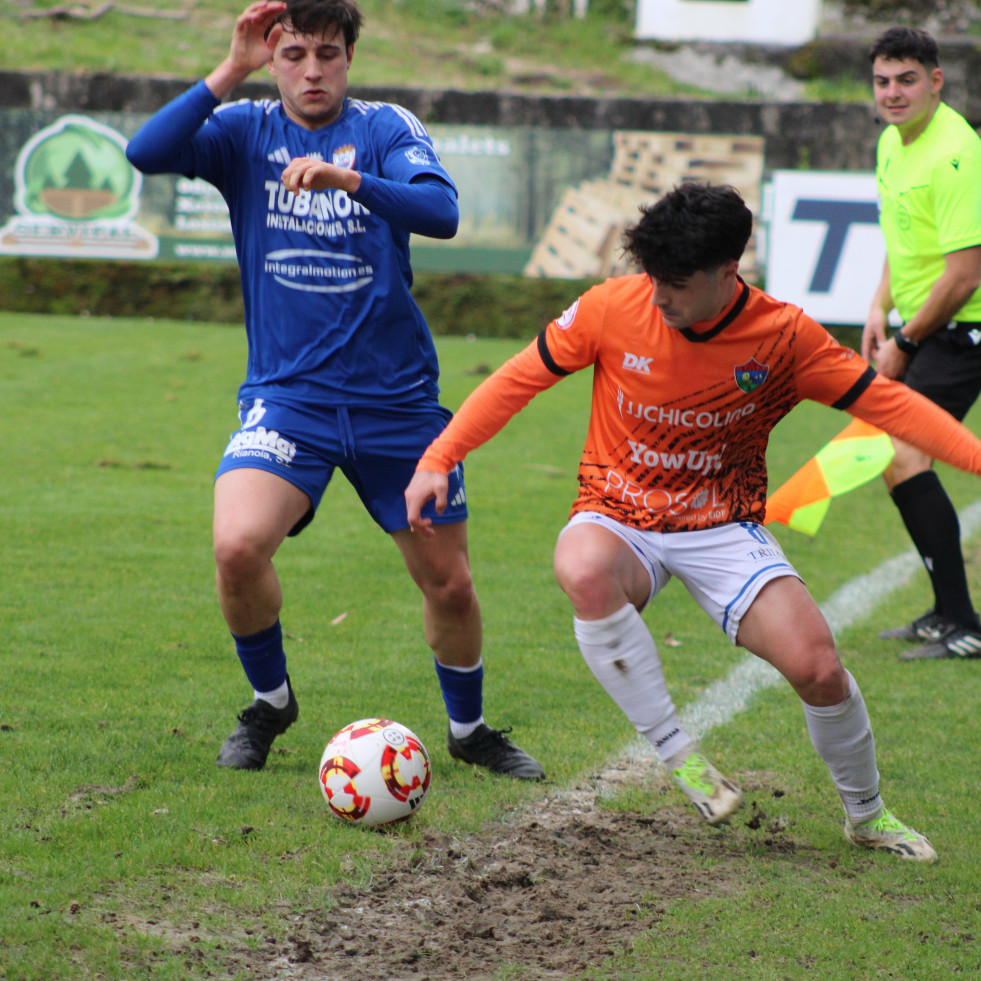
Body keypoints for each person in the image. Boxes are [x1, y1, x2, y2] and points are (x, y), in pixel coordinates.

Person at [406, 182, 981, 861]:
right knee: (582, 567)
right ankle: (681, 759)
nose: (656, 296)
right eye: (649, 276)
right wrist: (439, 456)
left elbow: (890, 407)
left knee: (819, 668)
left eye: (675, 283)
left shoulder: (783, 337)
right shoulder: (611, 308)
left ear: (726, 272)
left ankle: (867, 813)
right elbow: (515, 379)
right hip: (617, 513)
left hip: (719, 526)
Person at [125, 0, 544, 780]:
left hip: (397, 404)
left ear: (349, 57)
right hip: (289, 400)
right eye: (292, 56)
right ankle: (270, 703)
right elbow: (145, 153)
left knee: (448, 583)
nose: (310, 71)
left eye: (326, 54)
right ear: (271, 58)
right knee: (236, 545)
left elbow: (443, 213)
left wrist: (349, 177)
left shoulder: (386, 128)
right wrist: (230, 70)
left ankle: (469, 729)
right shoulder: (244, 130)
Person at [862, 26, 981, 661]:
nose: (893, 92)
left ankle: (962, 624)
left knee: (903, 457)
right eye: (883, 81)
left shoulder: (957, 153)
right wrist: (880, 305)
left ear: (936, 80)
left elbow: (965, 274)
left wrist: (904, 342)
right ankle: (949, 615)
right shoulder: (891, 142)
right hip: (929, 326)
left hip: (964, 332)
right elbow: (902, 238)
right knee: (900, 459)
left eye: (907, 79)